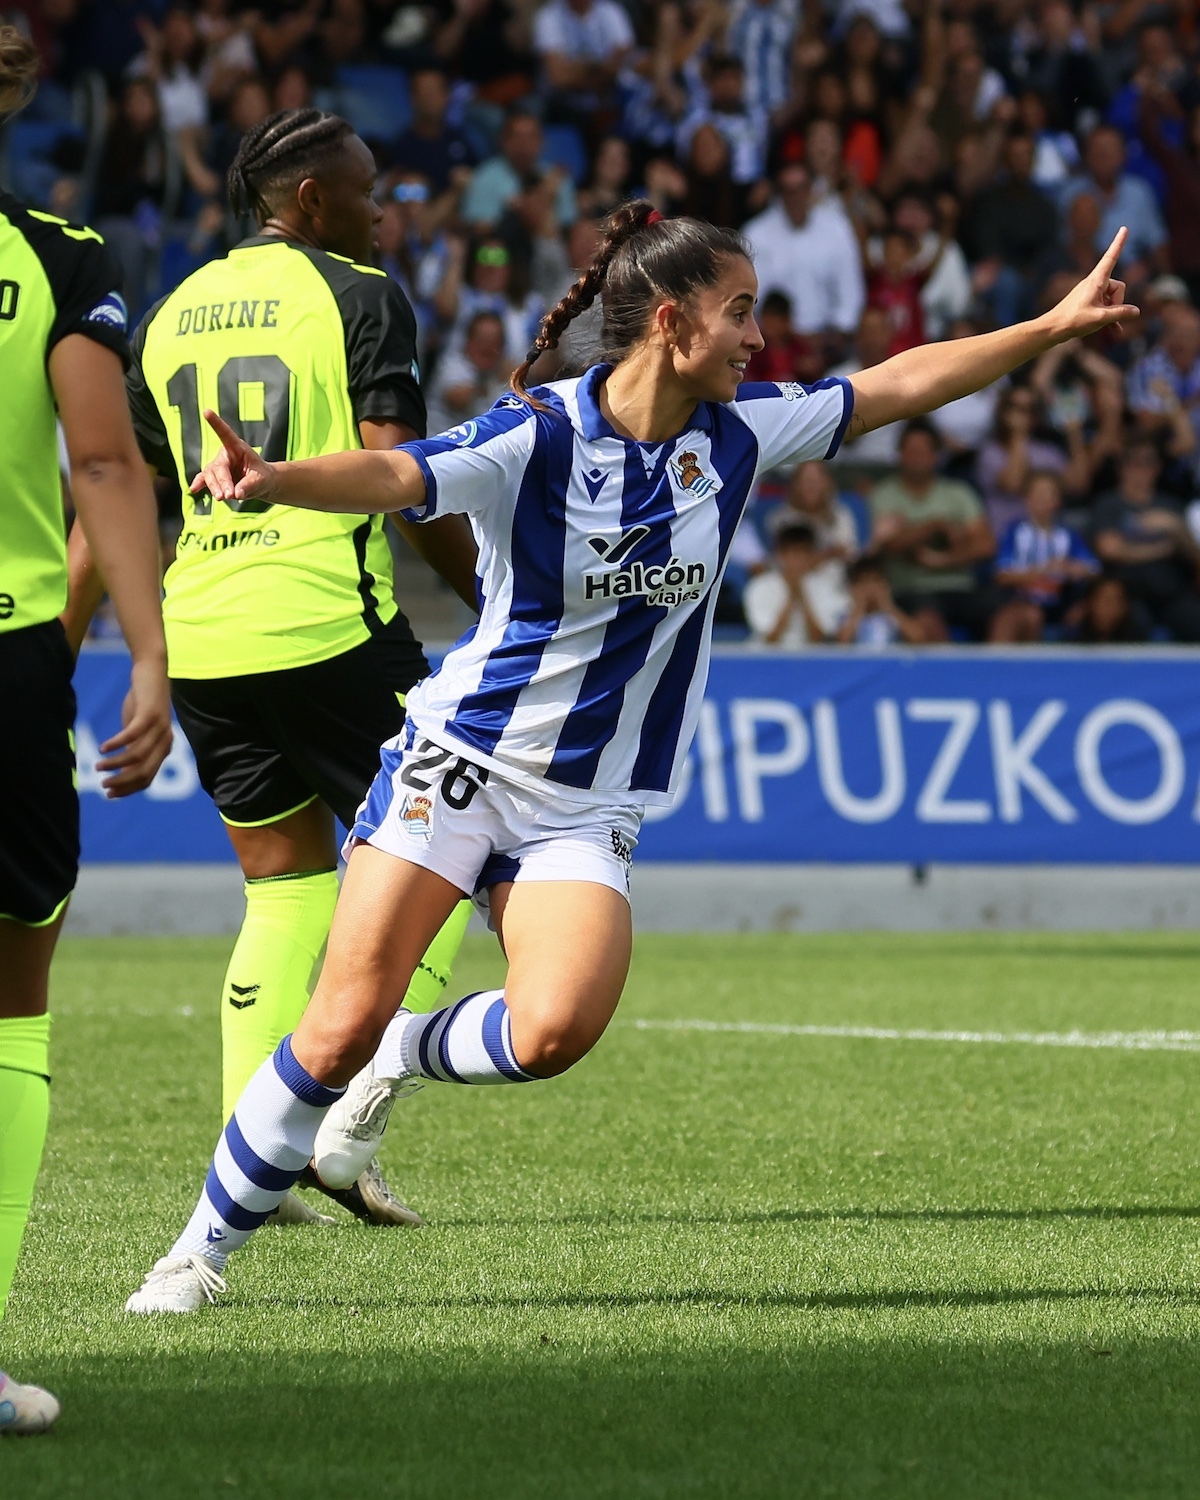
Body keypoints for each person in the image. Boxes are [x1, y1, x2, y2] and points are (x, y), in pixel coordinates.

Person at [123, 204, 1138, 1312]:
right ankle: (195, 1256)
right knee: (332, 1026)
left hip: (587, 804)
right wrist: (275, 480)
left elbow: (898, 383)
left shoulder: (742, 435)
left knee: (552, 1030)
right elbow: (398, 475)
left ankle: (402, 1053)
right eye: (739, 312)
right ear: (670, 320)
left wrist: (1048, 327)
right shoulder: (535, 433)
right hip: (462, 765)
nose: (758, 338)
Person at [68, 108, 482, 1228]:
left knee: (284, 889)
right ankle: (345, 1126)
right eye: (367, 190)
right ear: (309, 199)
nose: (381, 210)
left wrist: (62, 645)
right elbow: (402, 474)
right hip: (327, 626)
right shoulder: (359, 296)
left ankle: (250, 1155)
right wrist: (497, 595)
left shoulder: (169, 312)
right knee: (448, 863)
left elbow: (119, 498)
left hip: (206, 639)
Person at [0, 25, 173, 1430]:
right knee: (10, 1002)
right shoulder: (58, 256)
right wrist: (150, 653)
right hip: (6, 654)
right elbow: (103, 462)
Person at [869, 418, 998, 642]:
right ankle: (947, 667)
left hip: (960, 588)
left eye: (922, 451)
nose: (916, 457)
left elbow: (986, 545)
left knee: (1015, 613)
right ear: (899, 454)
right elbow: (890, 544)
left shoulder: (959, 493)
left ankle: (1001, 665)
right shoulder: (883, 495)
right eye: (910, 451)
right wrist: (936, 526)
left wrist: (944, 559)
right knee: (927, 620)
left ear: (936, 455)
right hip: (909, 590)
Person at [990, 471, 1098, 643]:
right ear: (1027, 499)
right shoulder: (1015, 532)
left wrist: (1072, 568)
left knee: (1094, 609)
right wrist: (1042, 571)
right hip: (1023, 600)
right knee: (1026, 615)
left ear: (1058, 501)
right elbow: (1002, 575)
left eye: (1048, 494)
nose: (1043, 499)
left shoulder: (1068, 535)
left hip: (1062, 601)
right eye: (1038, 494)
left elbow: (1094, 569)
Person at [744, 523, 843, 646]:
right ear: (780, 554)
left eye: (804, 552)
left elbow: (819, 638)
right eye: (793, 553)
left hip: (810, 655)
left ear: (813, 555)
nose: (798, 560)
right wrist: (791, 595)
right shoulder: (760, 586)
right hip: (768, 655)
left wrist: (801, 594)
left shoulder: (824, 586)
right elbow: (771, 638)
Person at [836, 555, 924, 645]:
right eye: (864, 582)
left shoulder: (893, 616)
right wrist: (859, 609)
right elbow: (842, 642)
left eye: (875, 581)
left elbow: (918, 638)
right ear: (853, 587)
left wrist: (888, 607)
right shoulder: (846, 617)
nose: (870, 588)